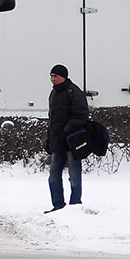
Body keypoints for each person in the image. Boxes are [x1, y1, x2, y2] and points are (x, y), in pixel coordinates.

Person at [45, 63, 89, 212]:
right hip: (58, 141)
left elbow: (81, 115)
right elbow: (51, 119)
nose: (52, 79)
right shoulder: (53, 93)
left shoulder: (74, 92)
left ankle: (75, 205)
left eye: (55, 76)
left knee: (74, 176)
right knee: (53, 175)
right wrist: (49, 140)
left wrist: (67, 130)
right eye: (51, 76)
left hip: (72, 141)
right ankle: (58, 204)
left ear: (63, 76)